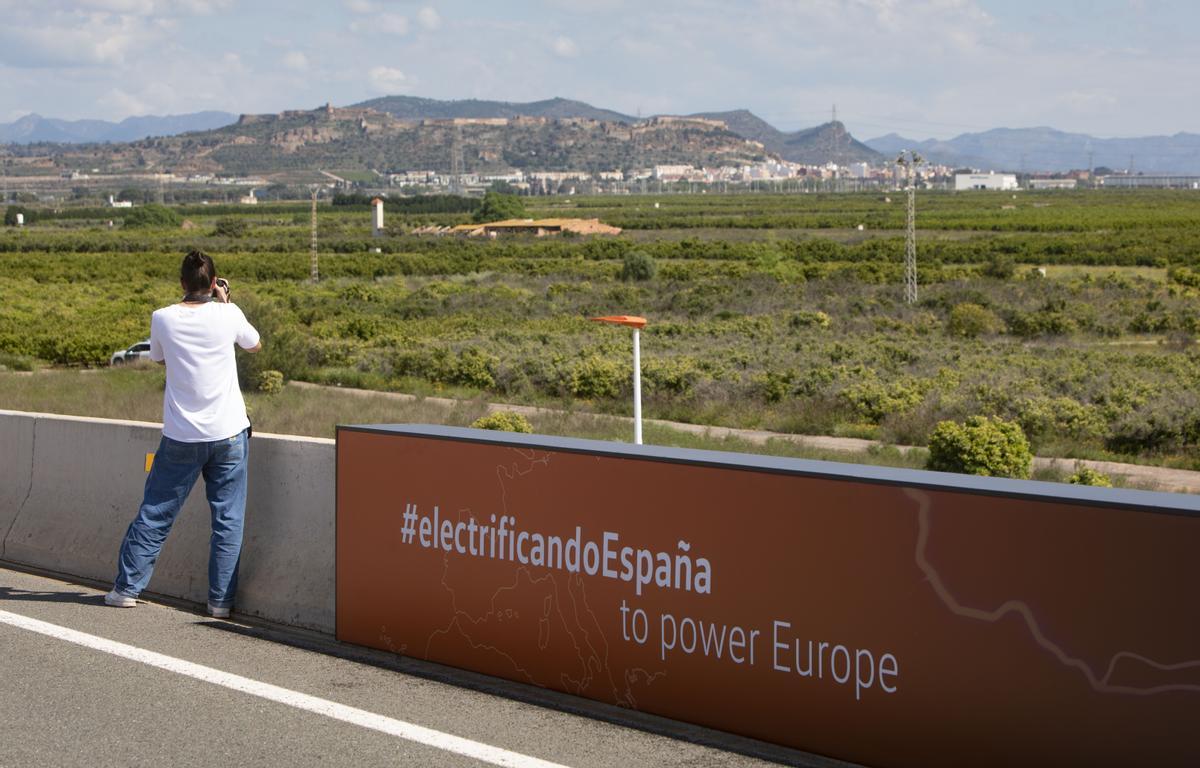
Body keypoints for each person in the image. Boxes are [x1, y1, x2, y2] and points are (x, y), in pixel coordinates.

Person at [106, 250, 261, 618]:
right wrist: (227, 302)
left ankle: (127, 589)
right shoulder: (229, 313)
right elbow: (254, 344)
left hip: (181, 436)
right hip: (229, 434)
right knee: (228, 520)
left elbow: (158, 357)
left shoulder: (163, 318)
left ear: (181, 283)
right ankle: (220, 603)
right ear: (213, 283)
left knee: (156, 512)